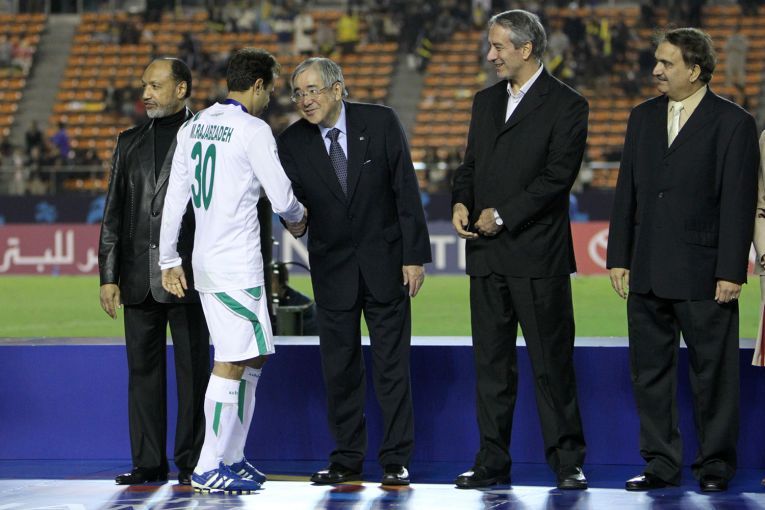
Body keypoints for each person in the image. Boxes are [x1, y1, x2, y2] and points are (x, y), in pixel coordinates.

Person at [607, 28, 759, 493]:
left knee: (714, 377)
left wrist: (731, 270)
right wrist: (618, 256)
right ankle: (660, 463)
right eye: (657, 61)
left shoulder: (733, 122)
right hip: (647, 269)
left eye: (667, 63)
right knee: (650, 374)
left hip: (705, 275)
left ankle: (715, 466)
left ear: (695, 71)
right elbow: (627, 191)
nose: (656, 70)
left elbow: (738, 201)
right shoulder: (641, 117)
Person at [450, 9, 589, 491]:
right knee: (491, 368)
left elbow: (557, 178)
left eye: (498, 47)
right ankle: (491, 462)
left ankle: (567, 462)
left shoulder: (568, 104)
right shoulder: (485, 101)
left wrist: (503, 215)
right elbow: (470, 164)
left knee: (552, 364)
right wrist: (460, 201)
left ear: (525, 49)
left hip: (537, 257)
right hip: (486, 258)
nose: (490, 55)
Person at [277, 57, 431, 486]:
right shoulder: (291, 142)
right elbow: (294, 206)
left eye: (313, 90)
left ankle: (395, 459)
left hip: (387, 268)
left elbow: (405, 189)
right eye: (298, 93)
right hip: (332, 273)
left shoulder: (380, 122)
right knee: (340, 372)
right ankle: (346, 459)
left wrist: (414, 257)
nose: (305, 100)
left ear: (337, 88)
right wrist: (293, 222)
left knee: (392, 369)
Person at [159, 47, 307, 494]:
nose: (271, 98)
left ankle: (232, 456)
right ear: (258, 85)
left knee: (252, 356)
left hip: (208, 258)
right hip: (236, 264)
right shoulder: (252, 130)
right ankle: (208, 466)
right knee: (230, 360)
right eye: (271, 89)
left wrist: (169, 257)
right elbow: (281, 197)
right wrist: (299, 218)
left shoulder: (194, 126)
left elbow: (175, 197)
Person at [98, 58, 210, 486]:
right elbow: (113, 214)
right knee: (141, 374)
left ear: (181, 88)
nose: (146, 93)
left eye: (155, 86)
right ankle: (148, 462)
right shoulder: (128, 142)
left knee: (194, 374)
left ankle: (192, 461)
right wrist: (108, 276)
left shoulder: (206, 137)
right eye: (144, 85)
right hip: (137, 278)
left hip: (189, 278)